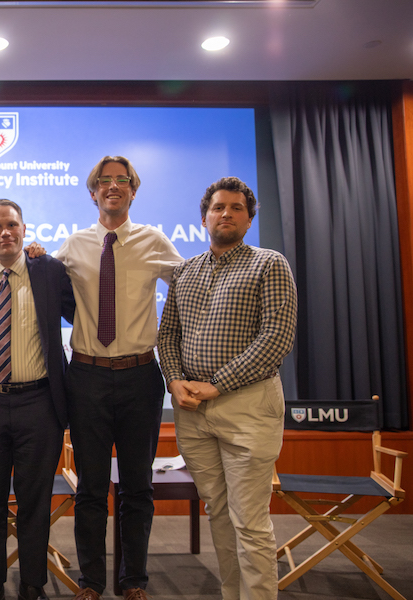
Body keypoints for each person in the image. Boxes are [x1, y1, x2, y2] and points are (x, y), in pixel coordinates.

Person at [158, 177, 297, 600]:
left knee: (250, 521)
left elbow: (277, 336)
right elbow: (168, 337)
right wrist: (175, 381)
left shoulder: (269, 264)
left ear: (249, 219)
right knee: (218, 512)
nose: (227, 214)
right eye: (219, 207)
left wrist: (216, 385)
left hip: (247, 408)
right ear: (204, 218)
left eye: (237, 208)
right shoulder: (184, 271)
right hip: (193, 414)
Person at [56, 156, 182, 600]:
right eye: (104, 181)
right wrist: (34, 254)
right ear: (93, 192)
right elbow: (42, 284)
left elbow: (192, 282)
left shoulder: (154, 241)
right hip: (86, 378)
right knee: (90, 488)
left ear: (133, 191)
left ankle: (133, 581)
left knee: (137, 487)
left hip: (139, 378)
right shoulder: (73, 245)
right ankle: (91, 582)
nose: (113, 186)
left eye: (122, 180)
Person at [0, 199, 75, 600]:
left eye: (12, 225)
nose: (4, 233)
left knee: (35, 501)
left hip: (39, 405)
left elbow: (82, 315)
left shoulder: (51, 271)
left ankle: (32, 584)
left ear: (25, 229)